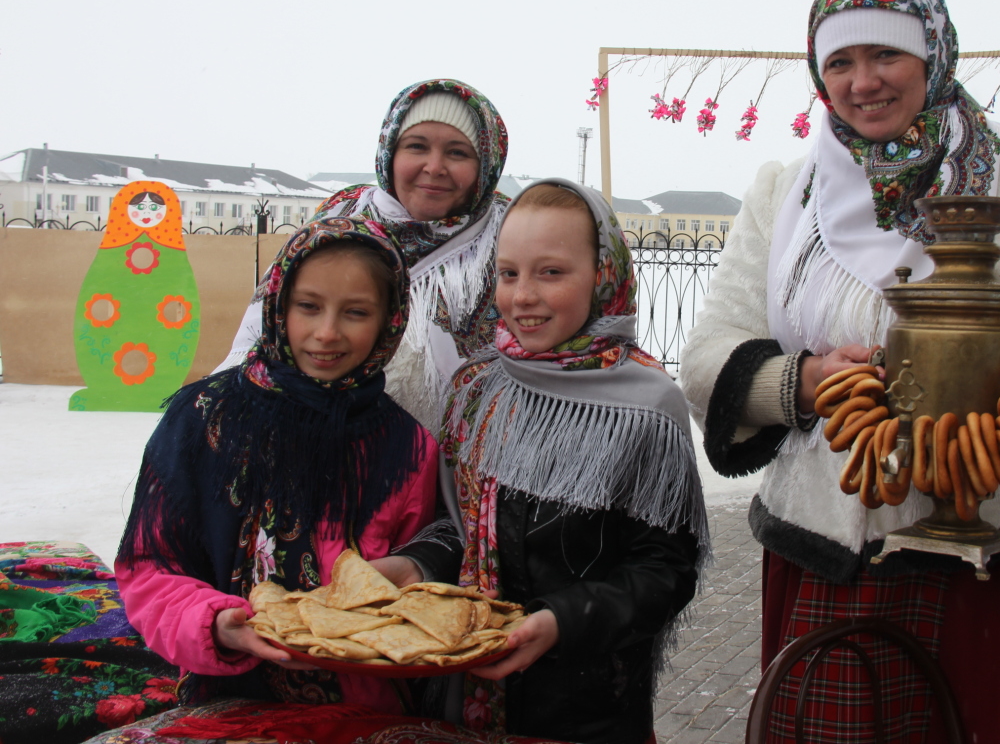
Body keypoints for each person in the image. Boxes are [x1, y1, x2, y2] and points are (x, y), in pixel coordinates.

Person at [680, 0, 1000, 743]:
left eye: (886, 55)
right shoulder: (787, 194)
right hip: (834, 559)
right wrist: (801, 382)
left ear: (934, 55)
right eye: (839, 62)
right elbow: (708, 351)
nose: (862, 81)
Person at [117, 217, 437, 713]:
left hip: (364, 709)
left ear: (389, 320)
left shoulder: (406, 446)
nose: (326, 333)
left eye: (355, 312)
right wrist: (216, 624)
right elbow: (149, 570)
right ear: (277, 304)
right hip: (229, 698)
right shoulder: (203, 418)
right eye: (308, 306)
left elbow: (421, 590)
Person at [440, 179, 710, 744]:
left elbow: (665, 571)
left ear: (604, 276)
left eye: (551, 272)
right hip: (461, 690)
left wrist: (562, 621)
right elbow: (453, 523)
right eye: (509, 273)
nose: (522, 296)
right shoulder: (476, 387)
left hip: (588, 706)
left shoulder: (647, 404)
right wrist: (415, 565)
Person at [217, 78, 509, 588]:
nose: (434, 166)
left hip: (451, 487)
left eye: (457, 152)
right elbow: (265, 325)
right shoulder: (343, 215)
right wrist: (222, 417)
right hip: (319, 465)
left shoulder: (506, 234)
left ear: (485, 163)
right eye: (416, 146)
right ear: (389, 149)